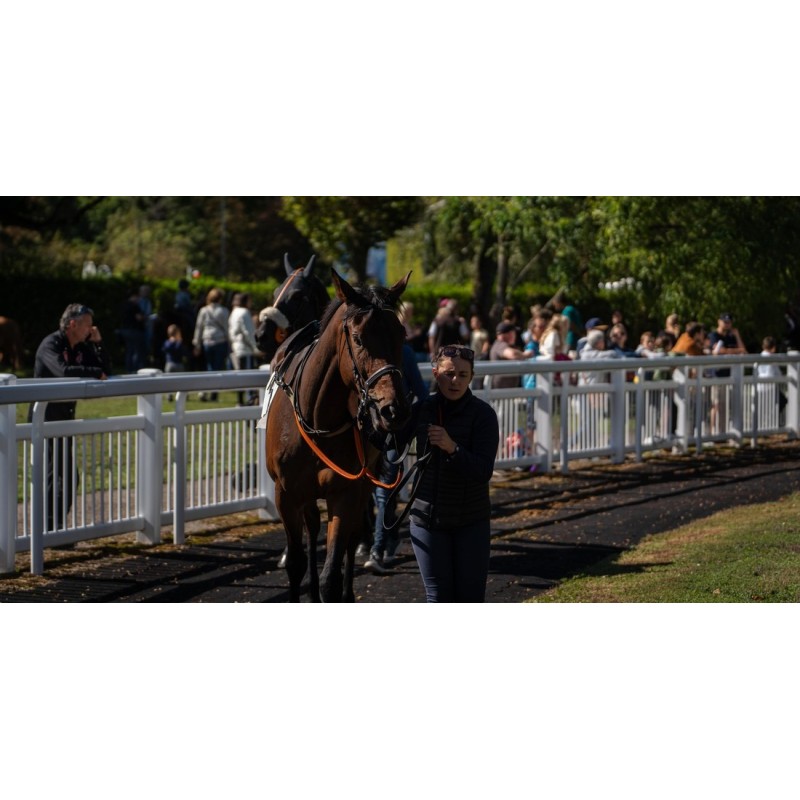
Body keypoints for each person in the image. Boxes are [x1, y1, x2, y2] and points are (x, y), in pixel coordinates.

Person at [400, 344, 500, 602]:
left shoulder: (483, 415)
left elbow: (482, 471)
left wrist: (451, 447)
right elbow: (386, 442)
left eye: (463, 375)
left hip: (471, 521)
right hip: (427, 521)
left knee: (470, 598)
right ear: (436, 373)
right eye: (449, 374)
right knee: (438, 598)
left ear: (472, 377)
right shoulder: (422, 409)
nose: (455, 381)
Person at [28, 304, 111, 531]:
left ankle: (55, 527)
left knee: (68, 476)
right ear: (72, 324)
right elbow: (63, 371)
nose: (90, 328)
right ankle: (48, 528)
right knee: (54, 476)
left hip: (64, 419)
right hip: (43, 419)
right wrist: (95, 372)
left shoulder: (81, 347)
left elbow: (106, 368)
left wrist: (98, 343)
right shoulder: (51, 344)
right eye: (87, 324)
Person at [365, 343, 429, 574]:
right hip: (368, 432)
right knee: (375, 492)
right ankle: (390, 537)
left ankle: (377, 549)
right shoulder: (363, 350)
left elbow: (420, 391)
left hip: (394, 430)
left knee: (383, 491)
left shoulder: (405, 352)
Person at [708, 312, 747, 436]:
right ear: (718, 321)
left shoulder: (731, 337)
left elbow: (744, 352)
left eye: (729, 322)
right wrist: (736, 351)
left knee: (725, 406)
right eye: (724, 322)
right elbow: (718, 351)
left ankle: (722, 433)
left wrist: (737, 335)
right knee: (716, 404)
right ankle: (712, 432)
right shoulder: (714, 335)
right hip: (717, 375)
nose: (727, 324)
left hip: (729, 375)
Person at [192, 287, 230, 401]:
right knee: (217, 368)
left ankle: (204, 391)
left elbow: (199, 327)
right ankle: (214, 392)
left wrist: (197, 344)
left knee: (209, 367)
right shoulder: (224, 311)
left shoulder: (204, 310)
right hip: (220, 341)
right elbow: (227, 328)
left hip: (207, 340)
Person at [228, 292, 260, 406]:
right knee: (248, 377)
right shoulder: (245, 312)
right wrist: (256, 348)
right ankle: (249, 401)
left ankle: (240, 401)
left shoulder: (234, 312)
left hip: (236, 348)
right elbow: (249, 333)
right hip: (245, 349)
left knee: (239, 376)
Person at [490, 321, 531, 389]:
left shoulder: (502, 344)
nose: (515, 335)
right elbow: (512, 354)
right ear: (509, 334)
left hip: (505, 392)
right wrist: (526, 354)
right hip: (501, 393)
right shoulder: (500, 344)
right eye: (514, 332)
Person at [118, 289, 146, 373]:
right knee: (137, 351)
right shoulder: (134, 306)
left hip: (125, 330)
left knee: (129, 351)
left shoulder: (123, 305)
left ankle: (129, 369)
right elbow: (139, 317)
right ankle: (136, 369)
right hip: (134, 330)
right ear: (134, 296)